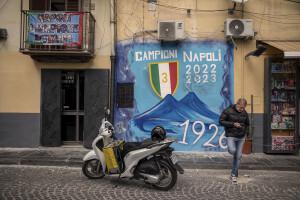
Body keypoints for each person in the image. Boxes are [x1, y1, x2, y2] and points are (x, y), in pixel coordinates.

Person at [219, 98, 250, 184]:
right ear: (237, 104)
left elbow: (248, 124)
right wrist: (233, 124)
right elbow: (221, 121)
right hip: (231, 135)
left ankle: (233, 174)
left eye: (243, 108)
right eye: (241, 107)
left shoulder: (244, 113)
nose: (242, 109)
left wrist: (246, 132)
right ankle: (233, 154)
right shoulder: (228, 110)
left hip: (241, 136)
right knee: (233, 150)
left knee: (238, 156)